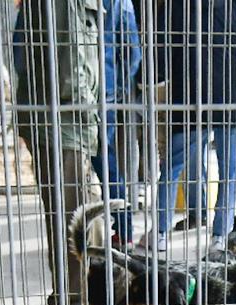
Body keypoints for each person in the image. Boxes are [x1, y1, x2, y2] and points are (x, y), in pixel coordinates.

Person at [146, 0, 236, 252]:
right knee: (228, 173)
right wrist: (233, 70)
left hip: (189, 99)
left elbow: (160, 57)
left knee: (173, 167)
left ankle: (161, 233)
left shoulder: (178, 6)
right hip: (230, 99)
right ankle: (220, 237)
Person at [12, 0, 101, 305]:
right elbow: (71, 67)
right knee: (71, 216)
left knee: (77, 211)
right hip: (64, 121)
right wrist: (89, 111)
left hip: (63, 120)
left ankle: (80, 295)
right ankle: (73, 300)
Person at [94, 0, 142, 243]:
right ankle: (123, 230)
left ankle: (73, 232)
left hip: (60, 93)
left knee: (67, 168)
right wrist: (118, 86)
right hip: (106, 89)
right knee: (107, 164)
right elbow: (134, 54)